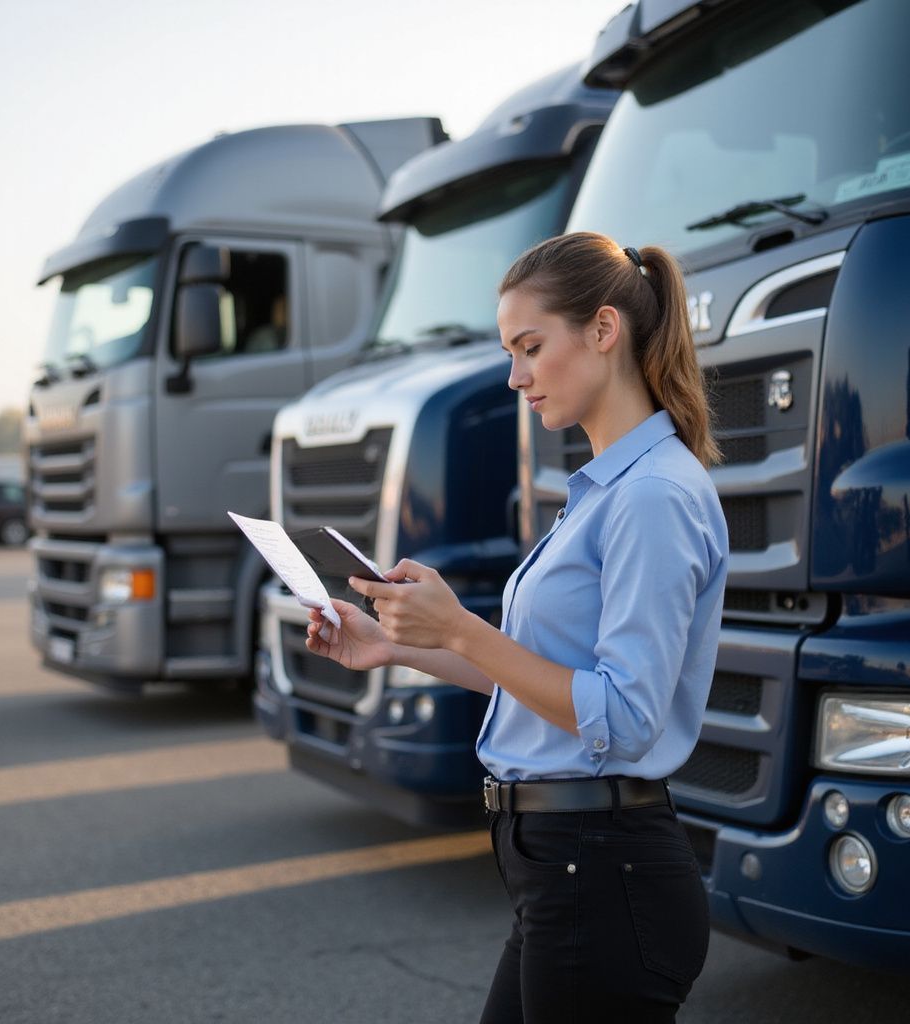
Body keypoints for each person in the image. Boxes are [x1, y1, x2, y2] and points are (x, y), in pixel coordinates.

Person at [305, 231, 728, 1023]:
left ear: (603, 331)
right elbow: (546, 677)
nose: (514, 376)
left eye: (530, 347)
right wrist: (399, 645)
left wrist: (461, 629)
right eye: (510, 351)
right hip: (567, 872)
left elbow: (624, 717)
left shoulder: (650, 498)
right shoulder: (607, 489)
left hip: (602, 876)